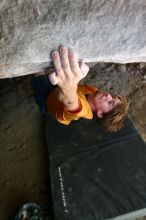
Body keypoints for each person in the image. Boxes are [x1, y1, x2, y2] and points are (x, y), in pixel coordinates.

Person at [33, 46, 130, 132]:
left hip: (46, 99)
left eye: (110, 103)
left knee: (39, 73)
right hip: (57, 89)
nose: (108, 95)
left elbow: (70, 101)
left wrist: (68, 87)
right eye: (113, 97)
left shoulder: (81, 110)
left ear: (100, 113)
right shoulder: (94, 92)